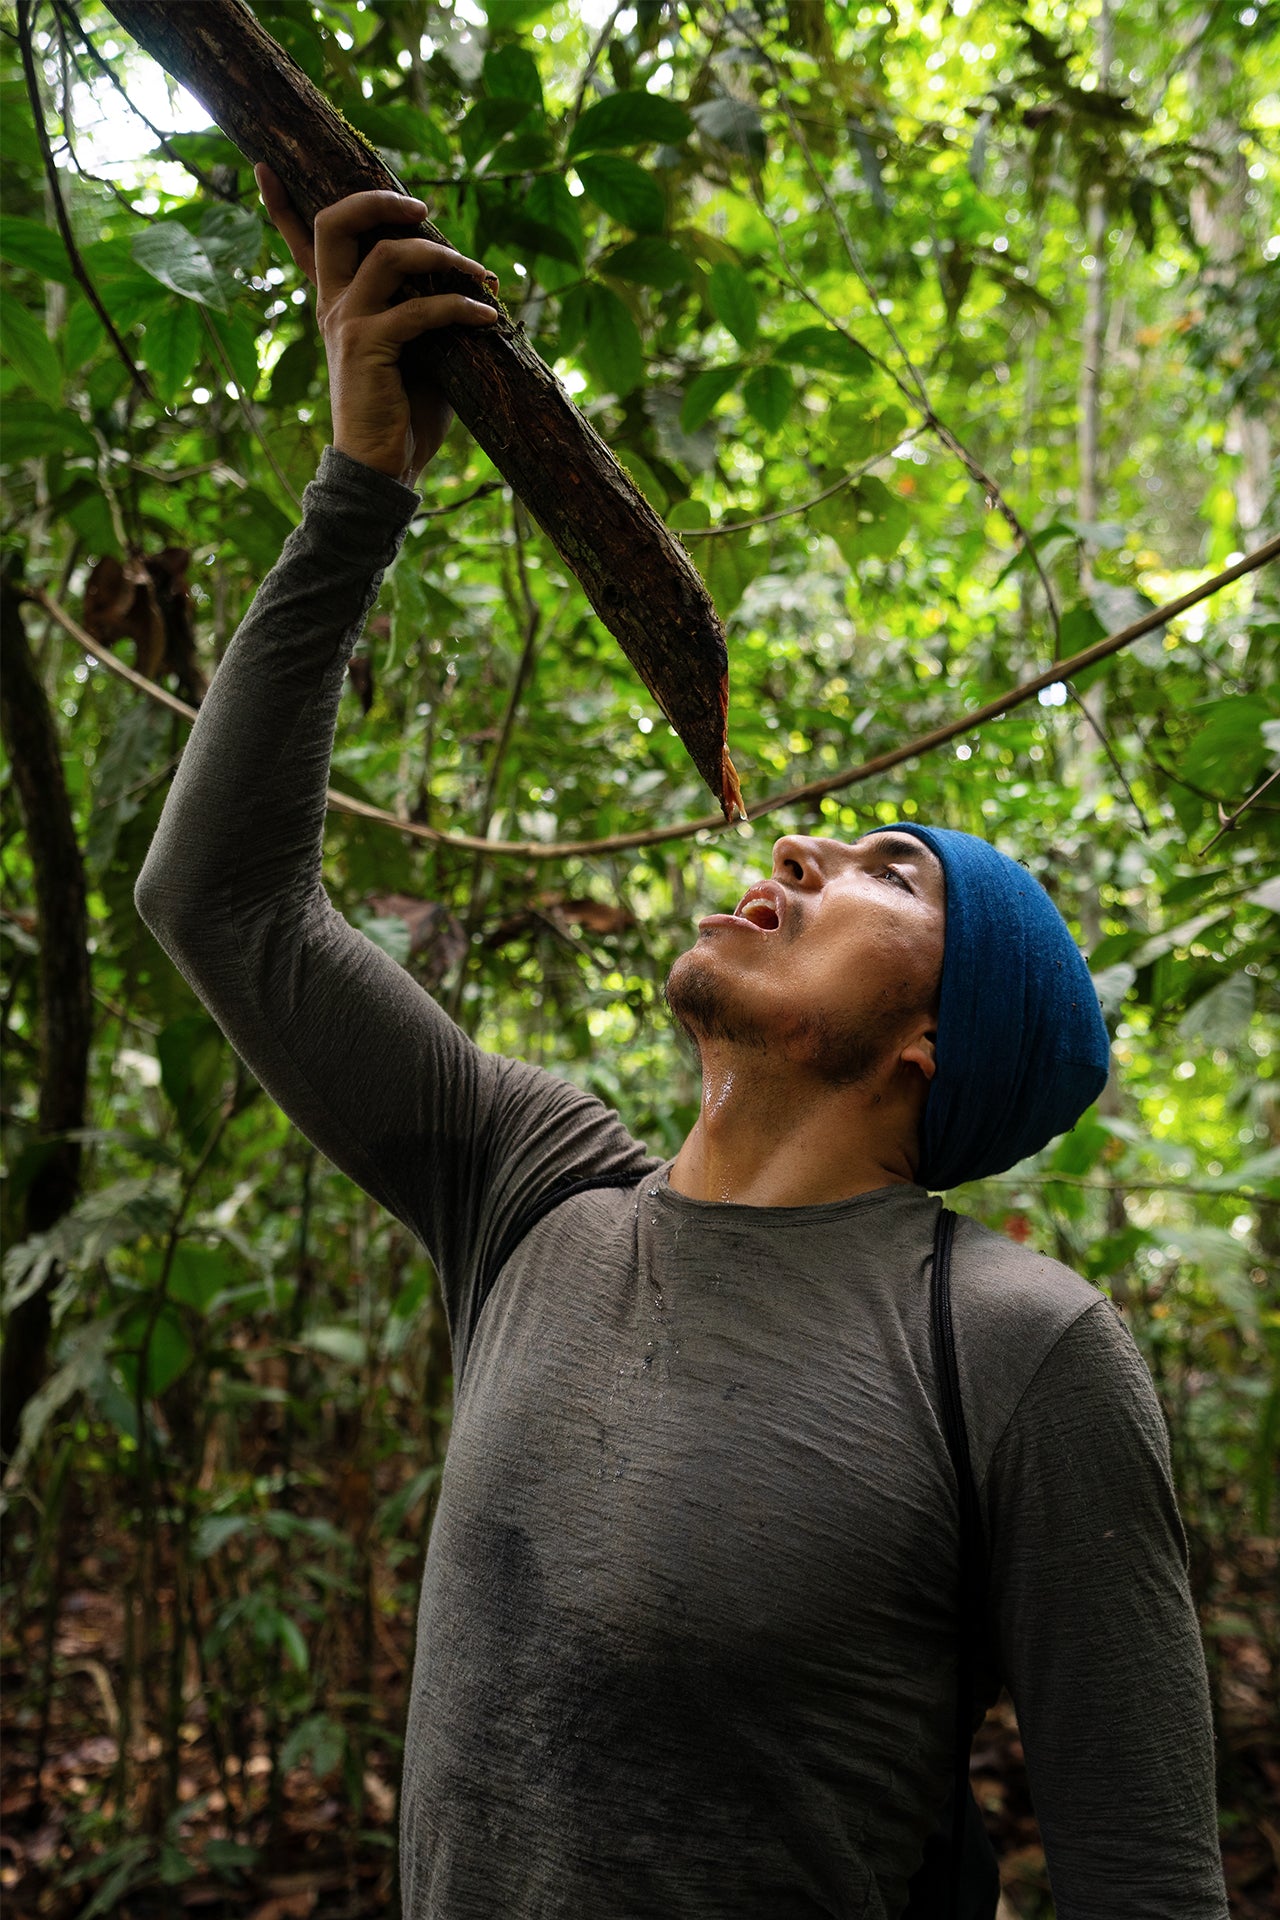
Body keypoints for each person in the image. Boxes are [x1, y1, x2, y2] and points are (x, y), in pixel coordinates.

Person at [134, 173, 1228, 1919]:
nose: (804, 850)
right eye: (830, 836)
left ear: (941, 1041)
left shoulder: (1020, 1350)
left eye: (892, 872)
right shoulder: (532, 1190)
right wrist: (360, 491)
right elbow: (227, 905)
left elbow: (1143, 1876)